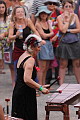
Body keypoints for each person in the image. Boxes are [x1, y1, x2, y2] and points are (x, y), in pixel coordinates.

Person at [11, 34, 49, 120]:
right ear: (32, 47)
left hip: (19, 91)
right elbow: (27, 79)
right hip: (25, 95)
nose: (39, 49)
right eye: (38, 47)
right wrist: (40, 88)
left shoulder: (22, 56)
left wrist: (40, 86)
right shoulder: (30, 60)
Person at [8, 5, 40, 85]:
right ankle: (18, 88)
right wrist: (16, 35)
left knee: (31, 68)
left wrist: (39, 40)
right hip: (18, 49)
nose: (20, 13)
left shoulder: (27, 21)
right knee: (18, 70)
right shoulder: (12, 24)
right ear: (15, 14)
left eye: (22, 11)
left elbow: (35, 31)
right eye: (18, 12)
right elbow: (10, 37)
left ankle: (35, 88)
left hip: (28, 50)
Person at [56, 0, 80, 85]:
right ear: (63, 8)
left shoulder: (75, 16)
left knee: (77, 64)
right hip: (64, 42)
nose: (68, 8)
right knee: (63, 64)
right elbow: (62, 29)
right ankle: (61, 85)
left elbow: (78, 29)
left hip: (75, 42)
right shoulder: (59, 17)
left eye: (70, 6)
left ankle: (79, 84)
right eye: (66, 6)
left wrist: (69, 30)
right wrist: (66, 20)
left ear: (72, 7)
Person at [35, 6, 54, 85]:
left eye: (45, 13)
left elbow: (51, 33)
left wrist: (49, 34)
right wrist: (49, 34)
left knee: (46, 67)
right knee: (41, 67)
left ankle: (43, 85)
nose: (43, 15)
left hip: (48, 44)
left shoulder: (48, 22)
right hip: (42, 45)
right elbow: (44, 35)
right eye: (42, 13)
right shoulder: (38, 24)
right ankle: (40, 85)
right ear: (39, 14)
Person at [44, 0, 61, 84]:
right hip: (47, 40)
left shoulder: (59, 13)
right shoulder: (44, 13)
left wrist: (56, 36)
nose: (51, 5)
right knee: (48, 59)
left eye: (54, 4)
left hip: (57, 40)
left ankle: (58, 78)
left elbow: (61, 26)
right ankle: (47, 78)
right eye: (49, 3)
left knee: (57, 59)